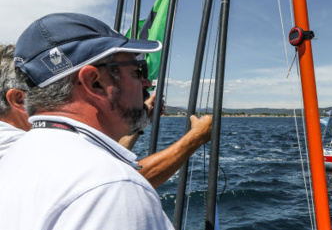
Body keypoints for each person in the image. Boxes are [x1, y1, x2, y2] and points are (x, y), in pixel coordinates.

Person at [0, 13, 211, 230]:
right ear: (94, 81)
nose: (147, 82)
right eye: (137, 70)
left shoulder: (18, 158)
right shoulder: (109, 189)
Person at [0, 43, 211, 189]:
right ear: (19, 100)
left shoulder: (32, 146)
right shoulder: (15, 148)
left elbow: (106, 158)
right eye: (41, 88)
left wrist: (140, 117)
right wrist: (195, 138)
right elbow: (120, 182)